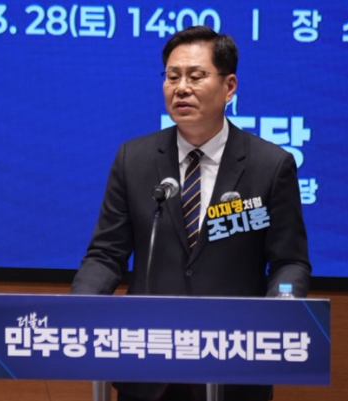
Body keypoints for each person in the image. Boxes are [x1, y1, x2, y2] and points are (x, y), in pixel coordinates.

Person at [71, 25, 311, 401]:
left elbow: (289, 261)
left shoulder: (270, 165)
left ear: (229, 87)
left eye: (196, 76)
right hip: (146, 363)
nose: (181, 87)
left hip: (232, 363)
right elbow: (106, 254)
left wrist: (280, 311)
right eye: (172, 76)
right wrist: (78, 306)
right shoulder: (134, 159)